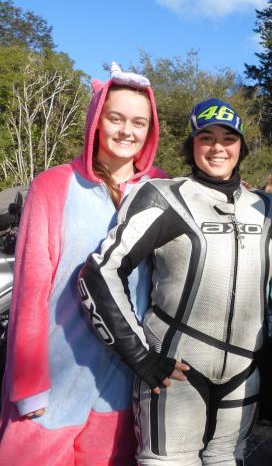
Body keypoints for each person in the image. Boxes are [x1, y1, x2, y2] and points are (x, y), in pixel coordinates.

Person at [78, 97, 272, 465]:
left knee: (229, 458)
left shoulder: (269, 208)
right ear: (191, 144)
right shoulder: (163, 197)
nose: (218, 147)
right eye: (206, 137)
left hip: (244, 372)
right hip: (174, 371)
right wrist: (141, 357)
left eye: (228, 138)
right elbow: (100, 273)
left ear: (241, 146)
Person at [0, 63, 165, 465]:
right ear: (96, 120)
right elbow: (30, 291)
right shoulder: (53, 186)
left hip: (120, 389)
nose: (127, 131)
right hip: (53, 381)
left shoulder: (161, 190)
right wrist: (28, 384)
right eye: (116, 118)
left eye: (139, 122)